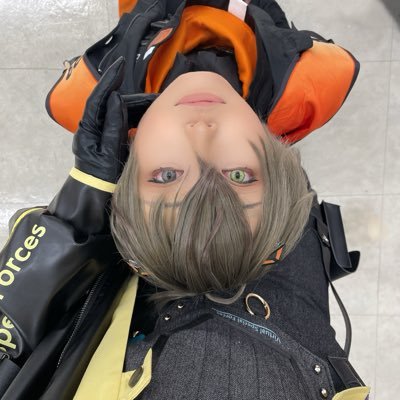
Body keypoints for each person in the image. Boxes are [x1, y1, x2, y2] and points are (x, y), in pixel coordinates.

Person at [0, 1, 370, 399]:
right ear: (278, 165)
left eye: (167, 176)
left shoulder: (85, 92)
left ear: (124, 181)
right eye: (239, 175)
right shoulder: (304, 95)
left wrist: (80, 205)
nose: (201, 132)